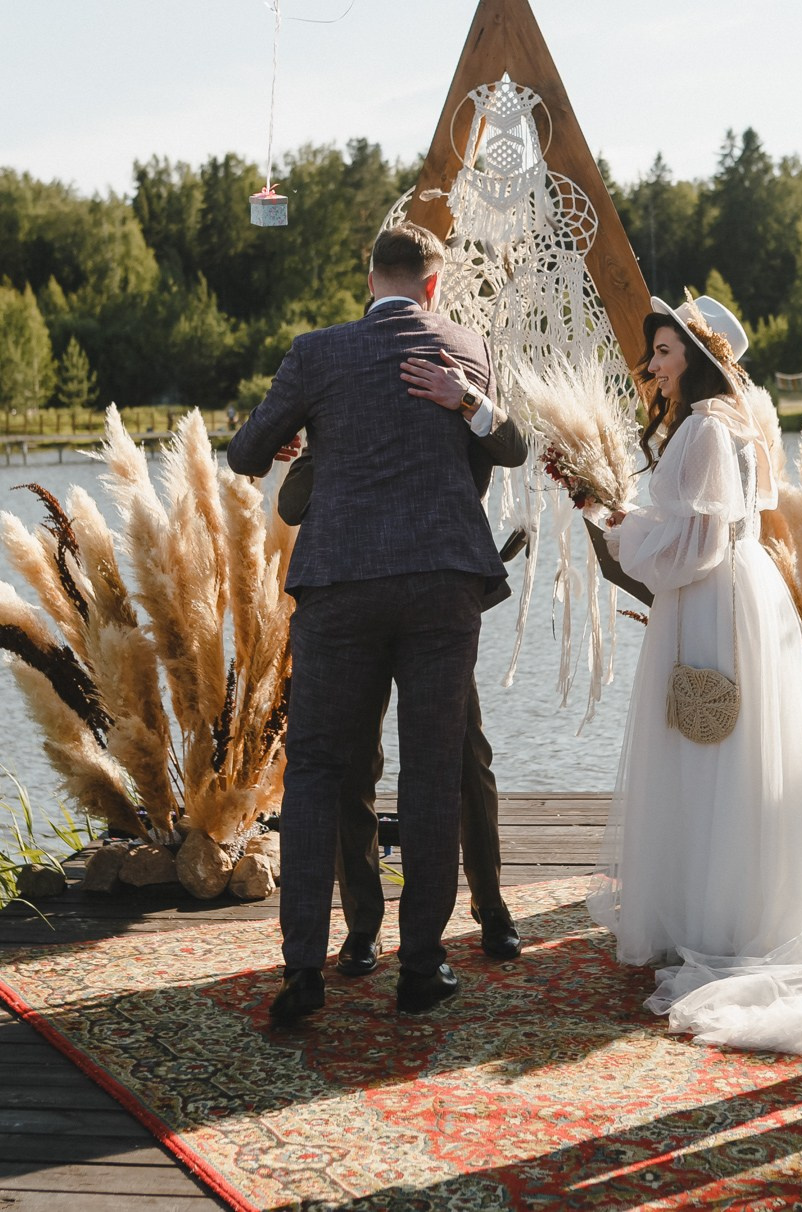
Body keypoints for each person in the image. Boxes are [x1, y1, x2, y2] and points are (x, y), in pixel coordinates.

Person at [228, 222, 509, 1021]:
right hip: (442, 584)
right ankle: (420, 971)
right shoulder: (466, 345)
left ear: (371, 275)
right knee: (430, 772)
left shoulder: (317, 352)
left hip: (341, 587)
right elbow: (479, 464)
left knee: (316, 770)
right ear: (431, 282)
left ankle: (302, 977)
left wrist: (305, 440)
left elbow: (247, 454)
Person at [587, 293, 802, 1055]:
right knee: (715, 747)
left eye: (665, 352)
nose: (652, 364)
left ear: (700, 357)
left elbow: (700, 542)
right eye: (653, 352)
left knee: (710, 740)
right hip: (725, 595)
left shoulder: (710, 430)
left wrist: (618, 522)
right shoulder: (718, 424)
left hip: (714, 598)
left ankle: (723, 921)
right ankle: (711, 907)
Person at [275, 386, 528, 975]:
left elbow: (508, 448)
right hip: (354, 612)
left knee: (466, 759)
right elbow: (292, 503)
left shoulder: (454, 389)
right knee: (352, 768)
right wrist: (320, 440)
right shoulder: (337, 408)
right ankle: (364, 924)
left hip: (436, 610)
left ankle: (490, 906)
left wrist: (468, 404)